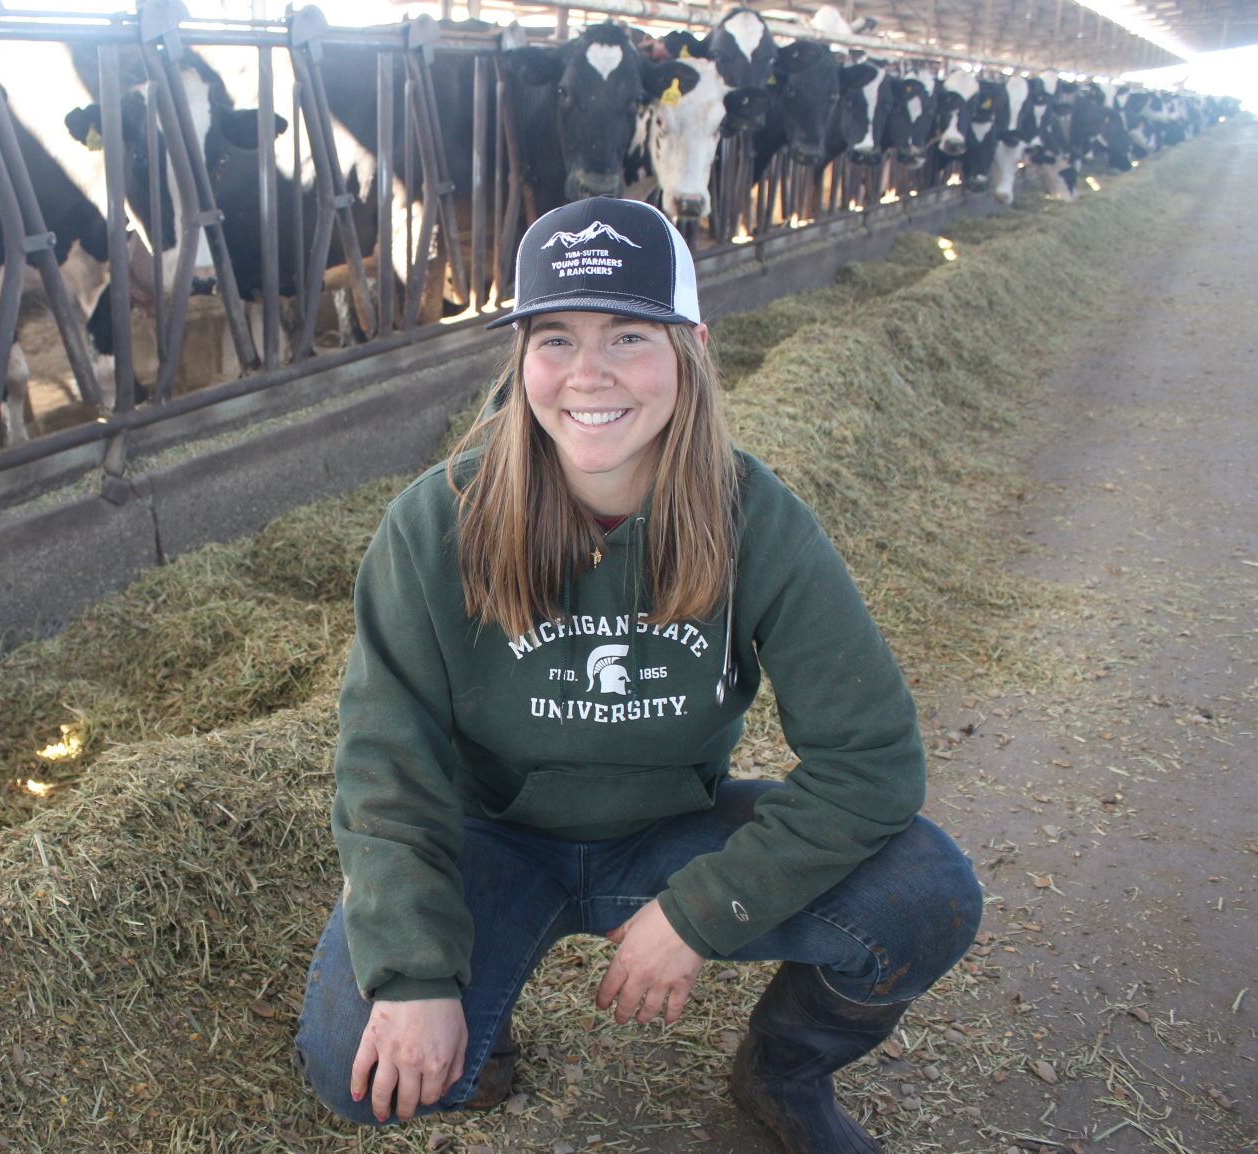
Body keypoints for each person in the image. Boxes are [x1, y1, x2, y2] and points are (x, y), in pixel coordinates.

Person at [292, 196, 980, 1154]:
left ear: (691, 347)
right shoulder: (435, 522)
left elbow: (870, 764)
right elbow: (385, 763)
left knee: (924, 892)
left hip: (669, 833)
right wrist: (415, 979)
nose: (589, 374)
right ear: (521, 356)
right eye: (556, 337)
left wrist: (701, 915)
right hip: (494, 838)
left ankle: (784, 1074)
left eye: (628, 335)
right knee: (354, 1074)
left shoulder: (755, 519)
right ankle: (474, 1031)